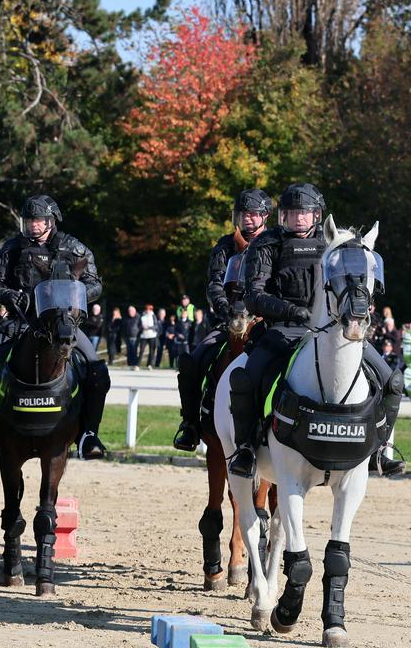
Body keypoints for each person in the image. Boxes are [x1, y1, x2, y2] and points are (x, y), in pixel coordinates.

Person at [225, 183, 404, 477]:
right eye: (292, 213)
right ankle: (245, 449)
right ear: (282, 216)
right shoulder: (267, 244)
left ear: (317, 215)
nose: (298, 219)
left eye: (304, 213)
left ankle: (381, 450)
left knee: (393, 382)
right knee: (246, 379)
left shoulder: (333, 244)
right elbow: (253, 295)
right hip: (283, 330)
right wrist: (291, 310)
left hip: (334, 329)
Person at [0, 194, 111, 459]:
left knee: (98, 373)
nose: (32, 225)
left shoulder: (74, 249)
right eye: (29, 220)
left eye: (38, 220)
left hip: (61, 323)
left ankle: (89, 435)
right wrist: (8, 295)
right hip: (19, 321)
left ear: (51, 221)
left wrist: (72, 293)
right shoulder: (12, 249)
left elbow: (95, 285)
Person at [173, 189, 271, 450]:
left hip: (268, 321)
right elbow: (215, 284)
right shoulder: (225, 246)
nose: (247, 219)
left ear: (265, 216)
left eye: (252, 214)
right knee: (192, 361)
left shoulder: (277, 243)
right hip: (230, 320)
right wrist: (227, 310)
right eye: (243, 214)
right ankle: (190, 425)